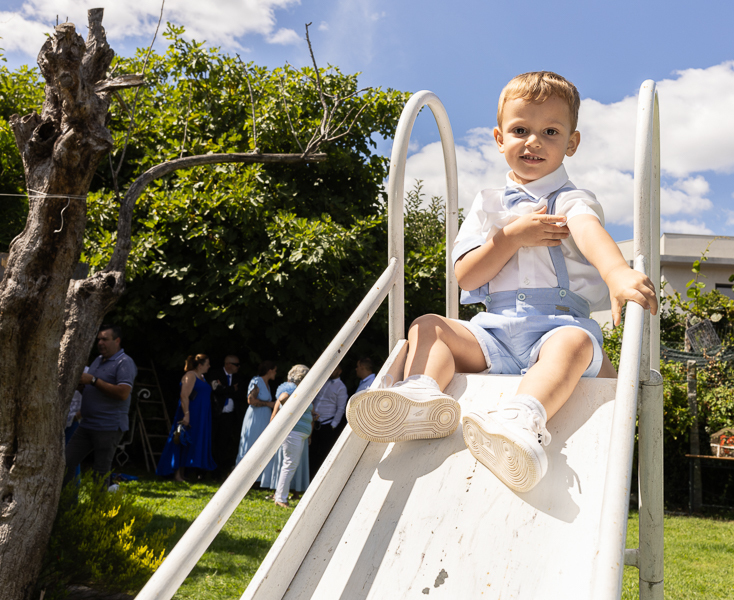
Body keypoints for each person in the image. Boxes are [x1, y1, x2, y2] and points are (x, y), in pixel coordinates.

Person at [347, 71, 657, 493]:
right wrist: (510, 237)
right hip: (493, 332)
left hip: (556, 327)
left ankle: (522, 418)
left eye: (550, 132)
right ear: (499, 138)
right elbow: (467, 275)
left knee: (575, 344)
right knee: (428, 325)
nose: (534, 142)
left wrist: (617, 271)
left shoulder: (570, 199)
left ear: (571, 143)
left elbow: (589, 232)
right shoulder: (488, 204)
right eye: (520, 130)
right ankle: (421, 395)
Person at [64, 324, 138, 488]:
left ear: (117, 341)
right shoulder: (98, 360)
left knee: (100, 471)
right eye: (99, 339)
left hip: (108, 426)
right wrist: (82, 387)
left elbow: (123, 393)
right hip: (87, 424)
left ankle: (99, 504)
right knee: (66, 462)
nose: (100, 343)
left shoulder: (124, 362)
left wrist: (93, 380)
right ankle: (68, 502)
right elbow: (95, 389)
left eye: (105, 339)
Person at [156, 354, 217, 482]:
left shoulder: (202, 377)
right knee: (182, 440)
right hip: (191, 413)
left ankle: (183, 473)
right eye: (207, 364)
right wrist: (187, 414)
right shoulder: (190, 375)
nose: (209, 366)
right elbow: (184, 395)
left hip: (200, 415)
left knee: (190, 442)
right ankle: (176, 474)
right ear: (200, 365)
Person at [268, 364, 315, 507]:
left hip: (297, 432)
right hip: (293, 432)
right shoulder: (292, 389)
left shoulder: (298, 390)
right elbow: (283, 398)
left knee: (290, 464)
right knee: (289, 465)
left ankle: (280, 496)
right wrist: (296, 410)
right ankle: (281, 499)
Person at [235, 361, 278, 482]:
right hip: (255, 417)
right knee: (251, 443)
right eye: (275, 370)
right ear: (269, 370)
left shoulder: (267, 384)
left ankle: (258, 478)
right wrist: (269, 404)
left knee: (262, 445)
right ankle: (243, 477)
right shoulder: (257, 381)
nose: (275, 373)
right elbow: (251, 400)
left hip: (264, 418)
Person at [207, 355, 244, 479]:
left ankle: (218, 472)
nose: (238, 367)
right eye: (236, 364)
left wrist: (225, 389)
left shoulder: (238, 377)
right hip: (216, 414)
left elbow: (239, 394)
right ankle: (207, 470)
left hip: (229, 416)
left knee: (223, 443)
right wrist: (231, 389)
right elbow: (216, 388)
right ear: (228, 364)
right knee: (212, 441)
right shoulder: (215, 374)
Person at [309, 365, 348, 476]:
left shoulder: (341, 387)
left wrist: (333, 425)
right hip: (313, 422)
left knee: (324, 453)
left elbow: (341, 408)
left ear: (340, 371)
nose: (332, 371)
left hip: (327, 424)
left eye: (335, 369)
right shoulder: (323, 382)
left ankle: (320, 476)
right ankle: (310, 476)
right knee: (312, 451)